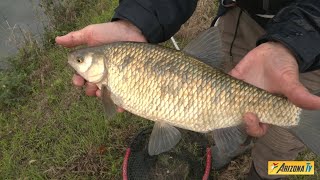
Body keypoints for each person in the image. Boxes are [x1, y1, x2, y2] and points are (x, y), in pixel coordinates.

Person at [56, 0, 320, 179]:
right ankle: (234, 142)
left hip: (312, 37)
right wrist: (135, 21)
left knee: (280, 146)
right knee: (233, 95)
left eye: (81, 60)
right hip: (242, 14)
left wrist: (294, 42)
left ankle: (266, 172)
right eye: (81, 60)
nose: (76, 63)